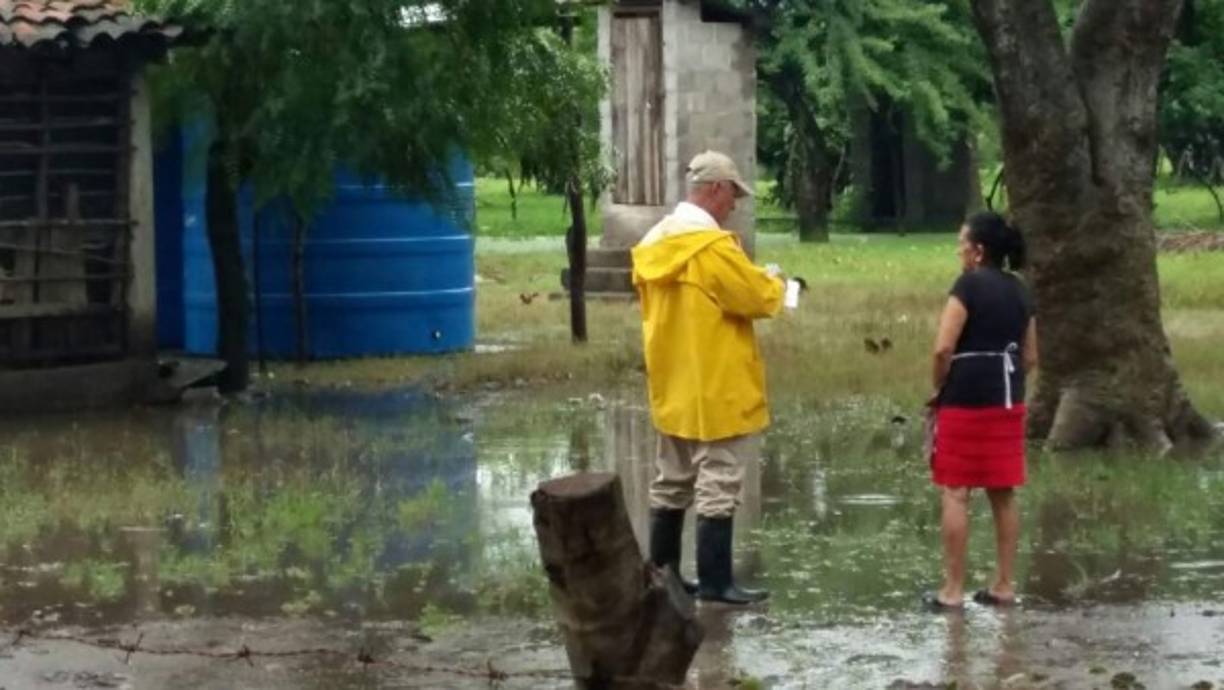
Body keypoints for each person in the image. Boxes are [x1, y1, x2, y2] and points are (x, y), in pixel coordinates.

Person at [631, 150, 784, 605]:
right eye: (733, 193)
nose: (734, 204)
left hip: (672, 378)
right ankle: (717, 582)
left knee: (671, 477)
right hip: (716, 380)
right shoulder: (710, 247)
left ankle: (666, 577)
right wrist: (775, 281)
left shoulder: (655, 242)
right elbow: (753, 296)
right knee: (718, 480)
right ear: (715, 189)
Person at [926, 210, 1038, 609]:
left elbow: (943, 347)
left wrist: (939, 383)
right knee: (1003, 493)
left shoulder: (967, 286)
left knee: (956, 491)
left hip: (964, 400)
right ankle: (1004, 584)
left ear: (977, 252)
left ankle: (952, 590)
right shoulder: (1021, 289)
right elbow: (1030, 355)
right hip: (1007, 400)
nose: (959, 250)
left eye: (962, 243)